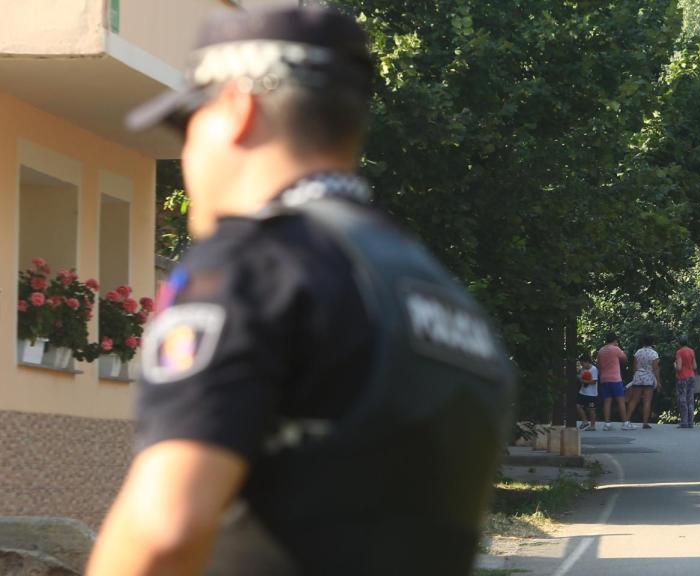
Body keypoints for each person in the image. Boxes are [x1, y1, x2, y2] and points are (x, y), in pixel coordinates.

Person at [87, 7, 514, 575]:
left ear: (238, 108)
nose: (187, 156)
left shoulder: (252, 268)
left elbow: (165, 529)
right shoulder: (443, 296)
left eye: (189, 125)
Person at [623, 335, 660, 430]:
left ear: (643, 342)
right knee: (647, 401)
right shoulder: (654, 354)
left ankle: (626, 421)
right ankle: (645, 422)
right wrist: (658, 381)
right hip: (648, 377)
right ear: (652, 343)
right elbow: (655, 368)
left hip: (638, 376)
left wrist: (636, 375)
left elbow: (634, 367)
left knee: (634, 400)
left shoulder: (638, 352)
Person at [597, 333, 629, 431]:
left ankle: (607, 423)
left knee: (607, 401)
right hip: (615, 378)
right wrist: (620, 349)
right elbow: (625, 359)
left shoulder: (601, 351)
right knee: (620, 401)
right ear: (615, 340)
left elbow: (598, 364)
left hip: (604, 378)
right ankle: (625, 423)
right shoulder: (615, 349)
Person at [674, 334, 697, 429]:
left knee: (682, 399)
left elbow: (679, 368)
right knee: (690, 399)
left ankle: (684, 422)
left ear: (679, 342)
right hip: (691, 376)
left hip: (683, 377)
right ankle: (690, 422)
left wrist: (674, 365)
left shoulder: (679, 352)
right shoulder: (692, 351)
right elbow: (695, 366)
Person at [576, 355, 599, 431]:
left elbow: (594, 381)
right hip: (582, 392)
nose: (582, 365)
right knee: (578, 406)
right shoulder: (582, 369)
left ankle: (593, 426)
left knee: (591, 409)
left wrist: (583, 381)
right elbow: (579, 376)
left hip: (591, 394)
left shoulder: (594, 369)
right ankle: (584, 421)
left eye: (583, 363)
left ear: (587, 362)